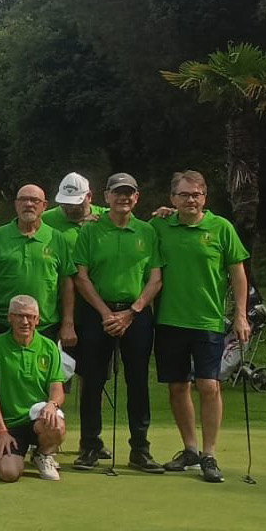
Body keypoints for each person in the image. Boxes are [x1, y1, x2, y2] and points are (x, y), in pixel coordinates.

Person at [151, 169, 249, 483]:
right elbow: (127, 224)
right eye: (184, 195)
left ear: (205, 197)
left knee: (209, 385)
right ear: (172, 198)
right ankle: (190, 450)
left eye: (196, 194)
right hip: (169, 320)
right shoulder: (160, 226)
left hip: (207, 321)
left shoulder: (221, 227)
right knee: (178, 387)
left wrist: (241, 315)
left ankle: (209, 454)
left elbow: (238, 274)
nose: (190, 200)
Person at [69, 173, 164, 472]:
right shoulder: (90, 230)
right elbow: (81, 276)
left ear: (136, 197)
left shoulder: (147, 231)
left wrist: (131, 312)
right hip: (96, 313)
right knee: (92, 380)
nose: (124, 197)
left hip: (136, 314)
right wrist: (105, 313)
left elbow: (155, 278)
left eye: (129, 193)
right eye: (118, 192)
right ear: (106, 196)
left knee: (137, 382)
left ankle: (140, 449)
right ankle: (89, 445)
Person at [0, 184, 75, 468]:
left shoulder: (56, 238)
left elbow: (67, 282)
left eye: (35, 200)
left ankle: (44, 447)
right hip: (0, 320)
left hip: (46, 324)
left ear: (44, 206)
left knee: (48, 383)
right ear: (16, 204)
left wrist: (68, 321)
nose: (29, 204)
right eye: (23, 199)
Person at [0, 295, 68, 482]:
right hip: (10, 425)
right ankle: (1, 449)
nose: (25, 321)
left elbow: (57, 388)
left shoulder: (49, 347)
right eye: (19, 315)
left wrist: (52, 404)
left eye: (30, 316)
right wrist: (1, 431)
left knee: (57, 426)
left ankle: (42, 454)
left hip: (37, 419)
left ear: (37, 319)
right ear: (9, 318)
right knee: (9, 473)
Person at [42, 172, 97, 241]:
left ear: (89, 196)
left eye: (76, 204)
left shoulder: (105, 217)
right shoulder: (44, 219)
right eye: (65, 204)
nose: (70, 210)